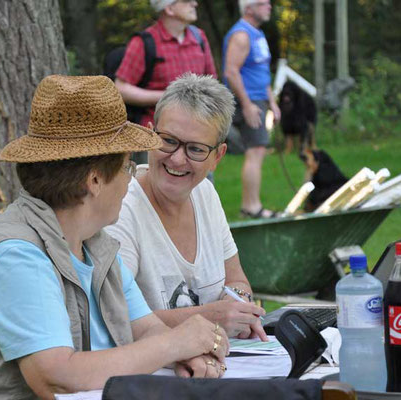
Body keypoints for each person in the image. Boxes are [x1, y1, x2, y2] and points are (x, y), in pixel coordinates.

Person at [0, 75, 230, 400]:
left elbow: (145, 327)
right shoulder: (16, 255)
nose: (130, 180)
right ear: (94, 180)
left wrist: (189, 353)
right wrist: (176, 343)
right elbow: (56, 376)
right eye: (125, 168)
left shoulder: (94, 245)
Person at [106, 73, 267, 341]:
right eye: (168, 140)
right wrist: (211, 317)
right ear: (149, 134)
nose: (177, 159)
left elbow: (236, 279)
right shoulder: (121, 209)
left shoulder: (205, 193)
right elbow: (116, 318)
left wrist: (238, 306)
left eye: (195, 149)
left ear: (218, 156)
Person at [114, 0, 216, 135]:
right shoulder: (144, 42)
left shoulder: (199, 37)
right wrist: (168, 96)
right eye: (186, 1)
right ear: (169, 9)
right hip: (155, 133)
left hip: (195, 130)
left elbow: (212, 81)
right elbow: (121, 88)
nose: (194, 3)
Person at [222, 0, 281, 219]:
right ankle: (251, 207)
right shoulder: (241, 36)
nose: (269, 6)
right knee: (255, 151)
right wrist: (247, 105)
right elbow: (231, 72)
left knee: (259, 151)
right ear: (249, 8)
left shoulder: (257, 34)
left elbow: (261, 72)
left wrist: (272, 103)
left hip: (259, 99)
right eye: (263, 3)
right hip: (248, 101)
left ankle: (252, 205)